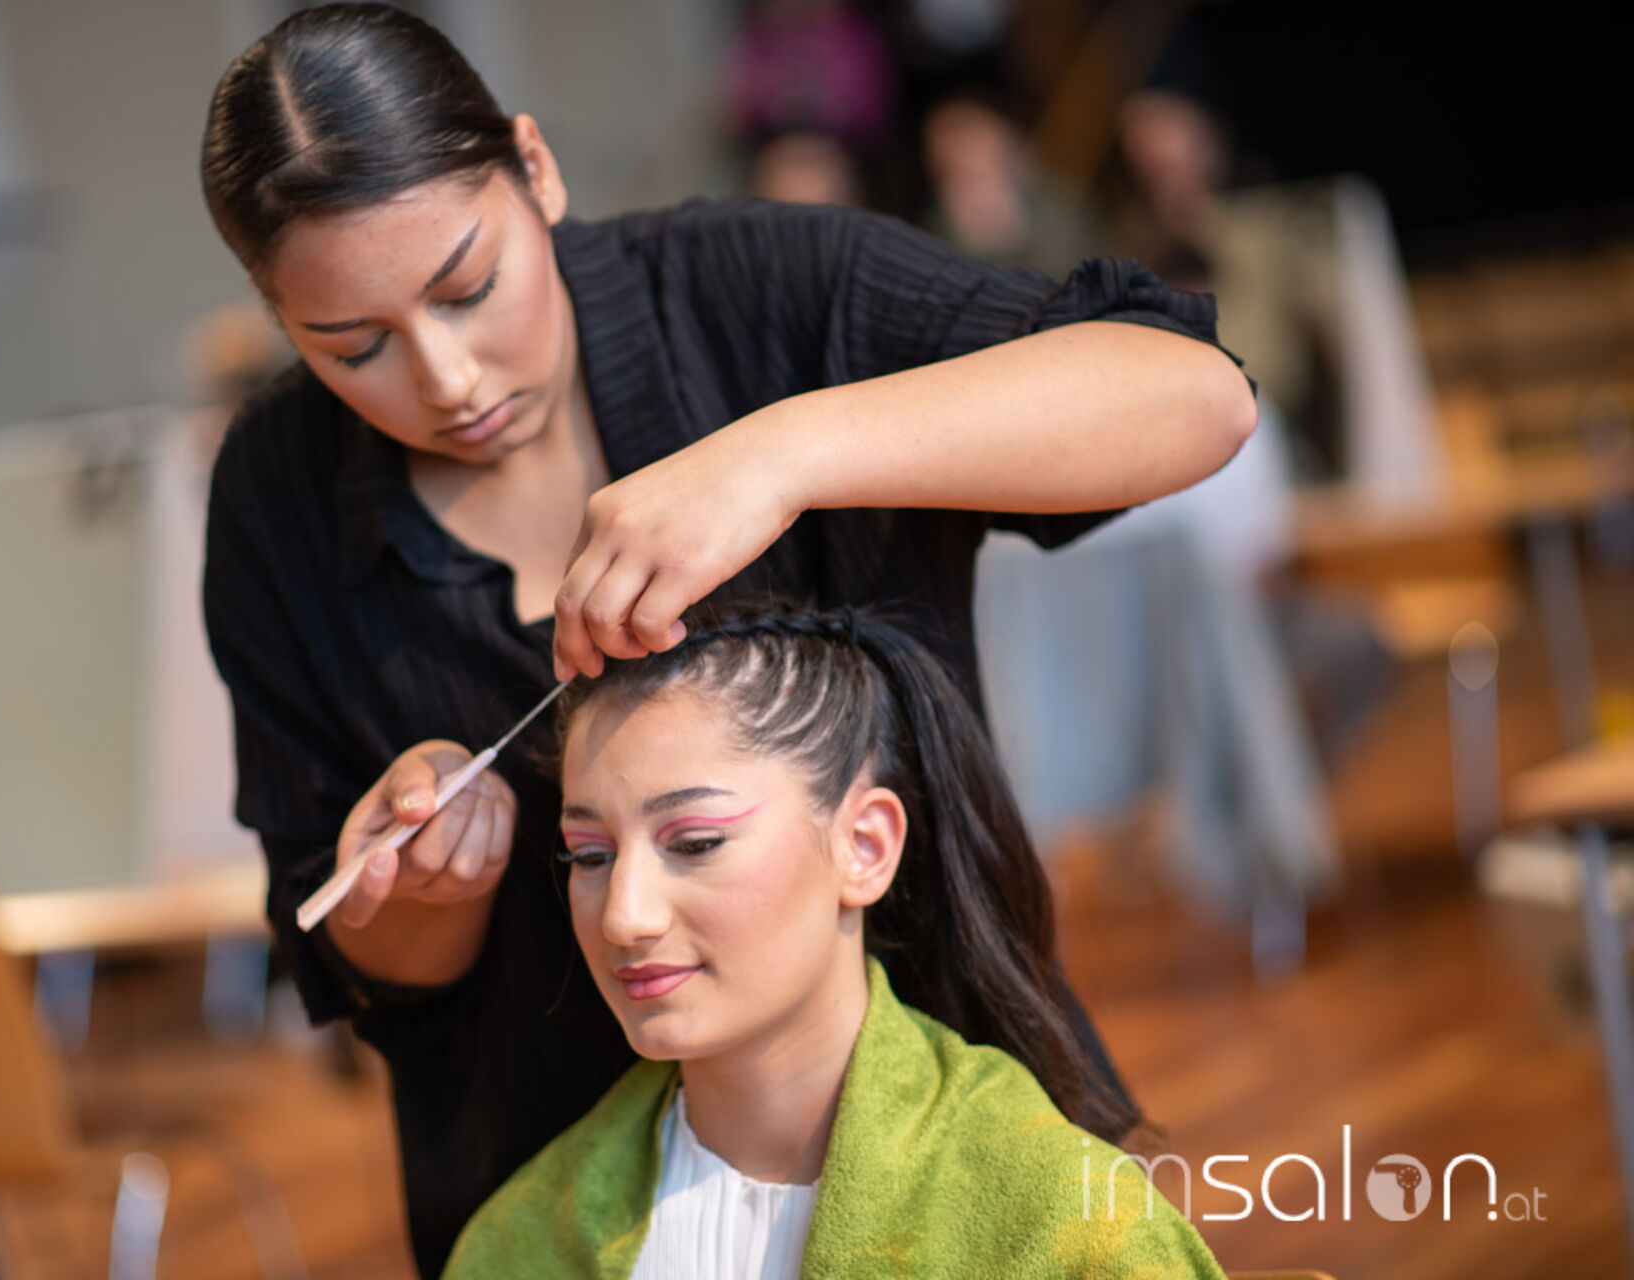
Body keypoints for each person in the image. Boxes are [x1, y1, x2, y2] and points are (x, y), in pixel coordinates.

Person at [197, 5, 1254, 1273]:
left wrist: (786, 453)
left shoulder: (754, 291)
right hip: (556, 1211)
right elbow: (370, 970)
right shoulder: (278, 496)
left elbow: (1196, 394)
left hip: (954, 1167)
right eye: (353, 346)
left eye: (469, 289)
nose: (447, 379)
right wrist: (426, 888)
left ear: (535, 168)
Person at [443, 603, 1226, 1278]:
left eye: (695, 843)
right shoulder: (523, 1241)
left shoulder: (1057, 1217)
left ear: (865, 847)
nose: (624, 916)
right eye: (590, 856)